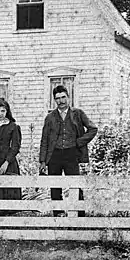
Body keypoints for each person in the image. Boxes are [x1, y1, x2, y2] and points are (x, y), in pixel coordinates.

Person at [39, 85, 98, 217]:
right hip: (54, 155)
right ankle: (58, 214)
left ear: (68, 97)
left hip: (72, 154)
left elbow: (93, 129)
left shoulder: (78, 113)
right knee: (55, 186)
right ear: (54, 100)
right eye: (57, 98)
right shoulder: (50, 117)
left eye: (63, 97)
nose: (61, 101)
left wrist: (79, 142)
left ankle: (79, 215)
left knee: (75, 185)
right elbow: (44, 140)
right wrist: (42, 161)